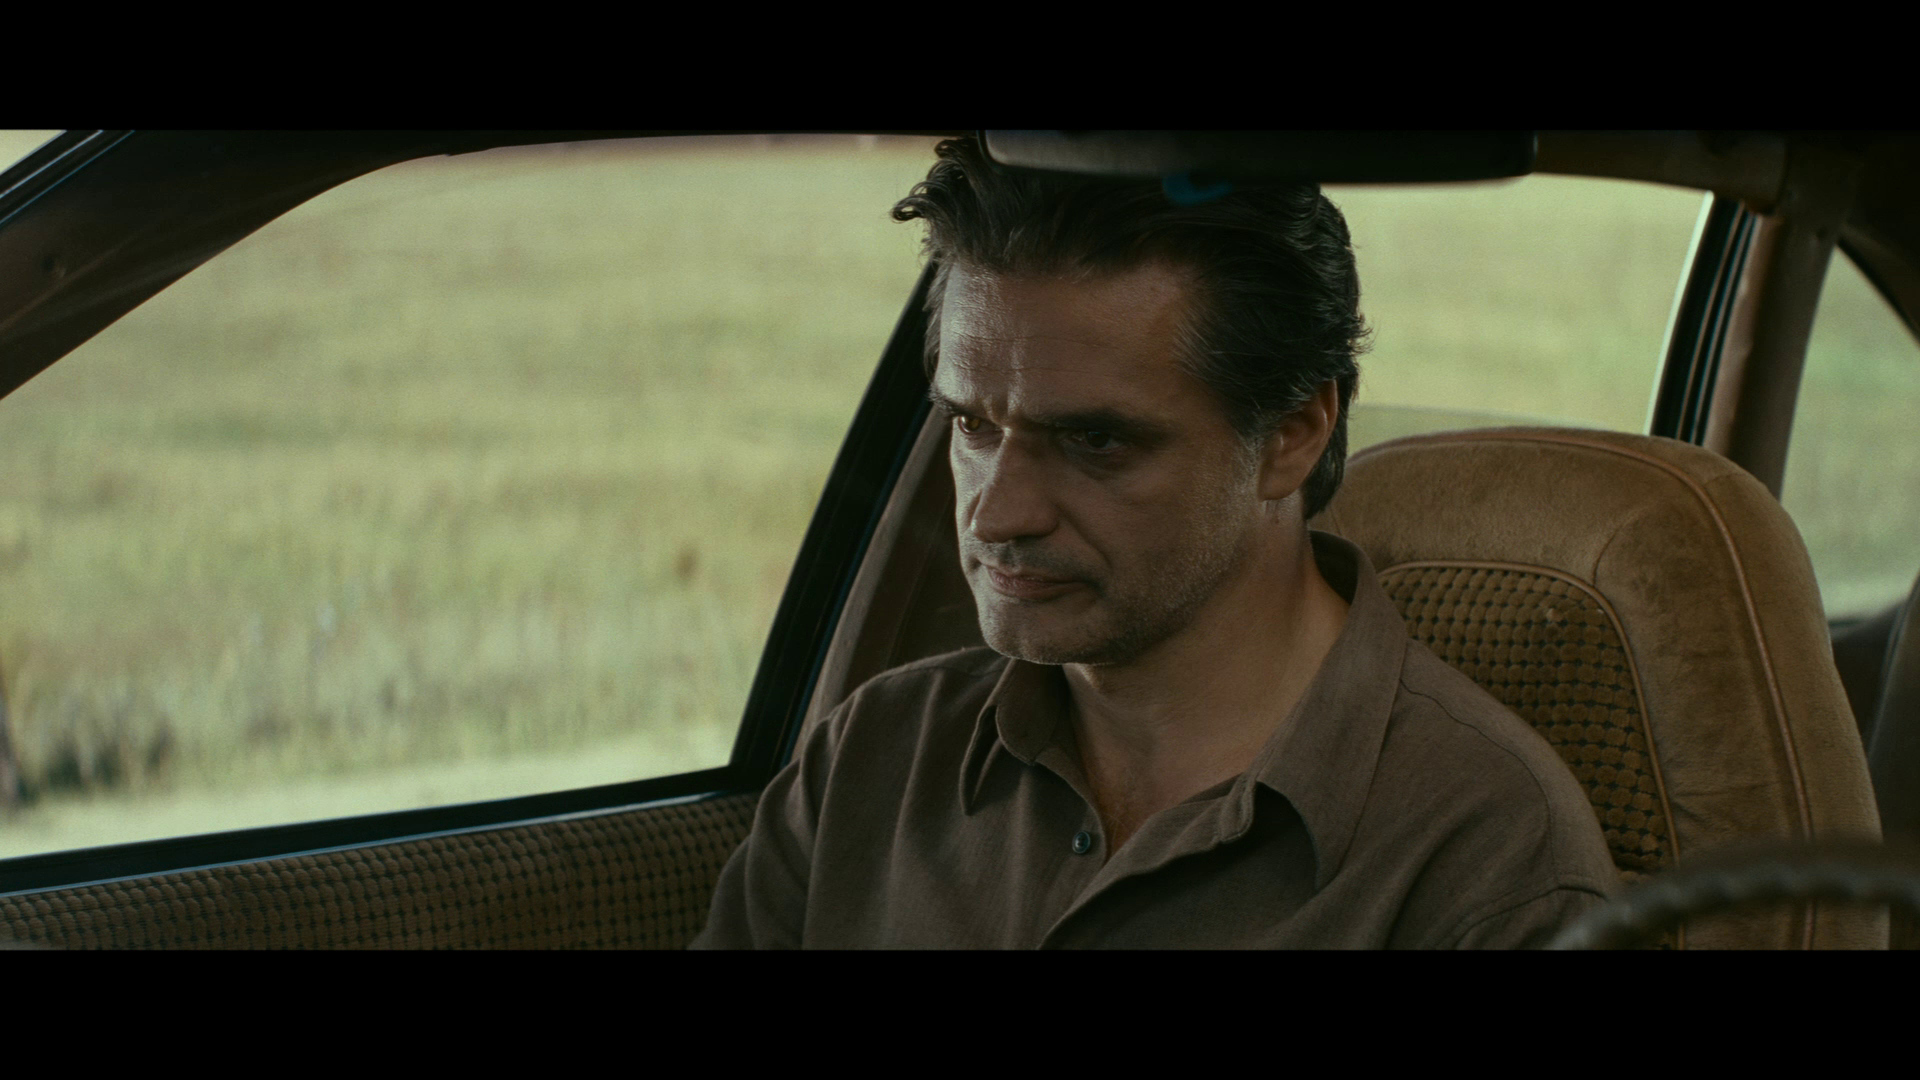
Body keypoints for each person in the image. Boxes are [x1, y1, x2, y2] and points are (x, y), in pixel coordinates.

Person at [690, 135, 1617, 948]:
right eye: (973, 426)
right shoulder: (876, 755)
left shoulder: (1489, 857)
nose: (995, 516)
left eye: (1095, 441)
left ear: (1292, 434)